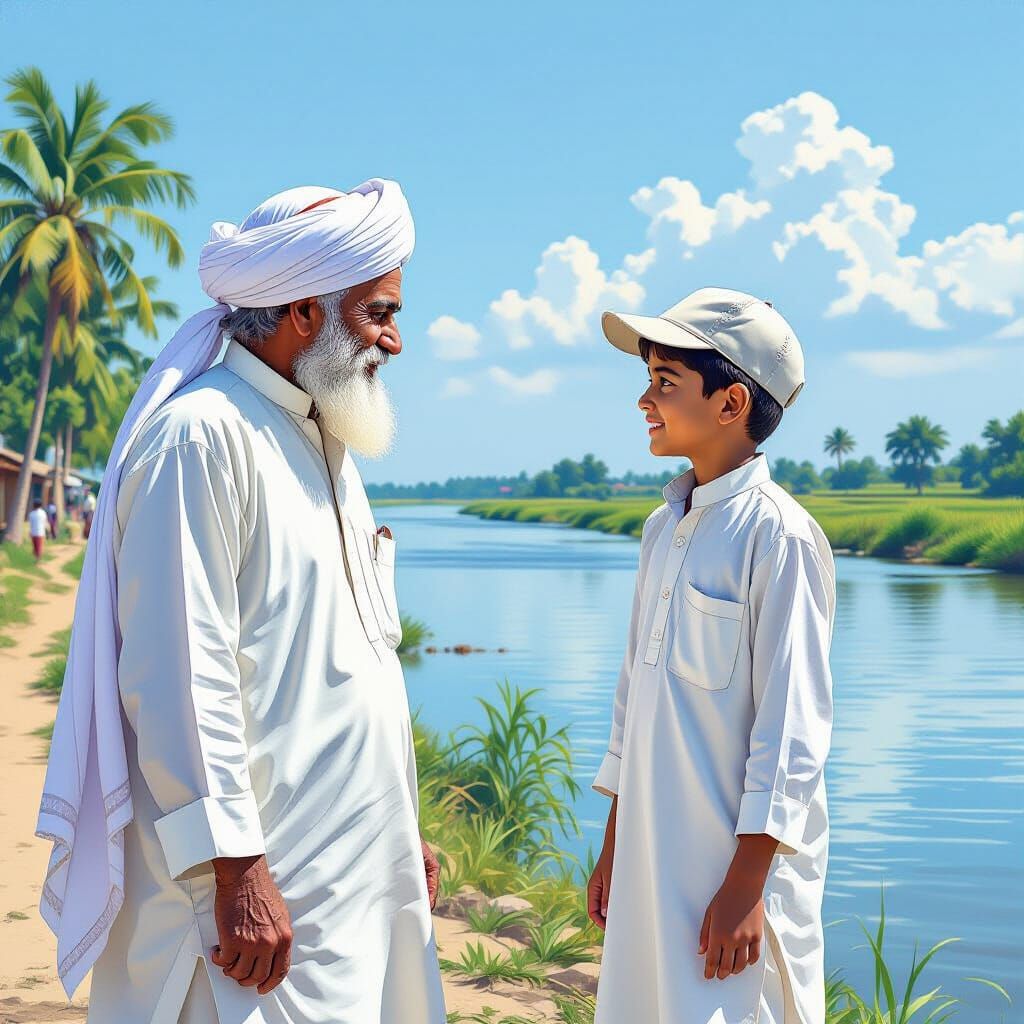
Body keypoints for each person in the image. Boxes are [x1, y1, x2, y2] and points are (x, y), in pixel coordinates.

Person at [36, 180, 447, 1024]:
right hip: (262, 893)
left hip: (350, 871)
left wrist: (400, 825)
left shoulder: (328, 442)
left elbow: (345, 668)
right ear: (303, 310)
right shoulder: (204, 435)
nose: (395, 340)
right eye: (378, 313)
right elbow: (182, 672)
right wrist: (234, 869)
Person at [587, 288, 836, 1024]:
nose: (644, 400)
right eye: (648, 380)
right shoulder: (661, 530)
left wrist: (747, 883)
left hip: (735, 875)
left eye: (665, 382)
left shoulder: (779, 538)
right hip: (651, 855)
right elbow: (635, 705)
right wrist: (613, 845)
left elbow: (793, 728)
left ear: (731, 403)